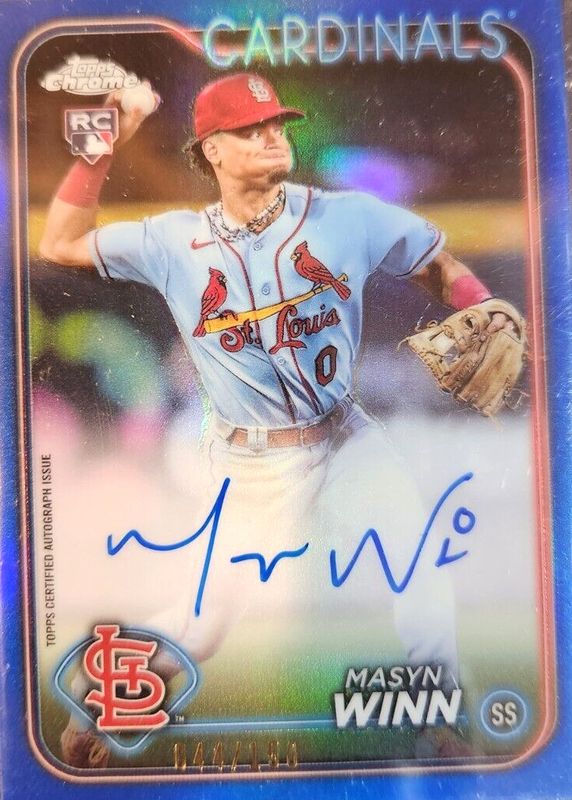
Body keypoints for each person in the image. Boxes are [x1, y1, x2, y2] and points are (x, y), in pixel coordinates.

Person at [40, 72, 507, 768]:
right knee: (201, 629)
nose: (272, 136)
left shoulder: (346, 217)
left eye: (276, 124)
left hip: (345, 436)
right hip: (251, 465)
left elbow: (435, 263)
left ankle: (443, 722)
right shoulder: (173, 241)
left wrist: (482, 305)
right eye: (250, 128)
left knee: (418, 562)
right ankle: (98, 695)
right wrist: (106, 140)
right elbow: (60, 243)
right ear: (213, 150)